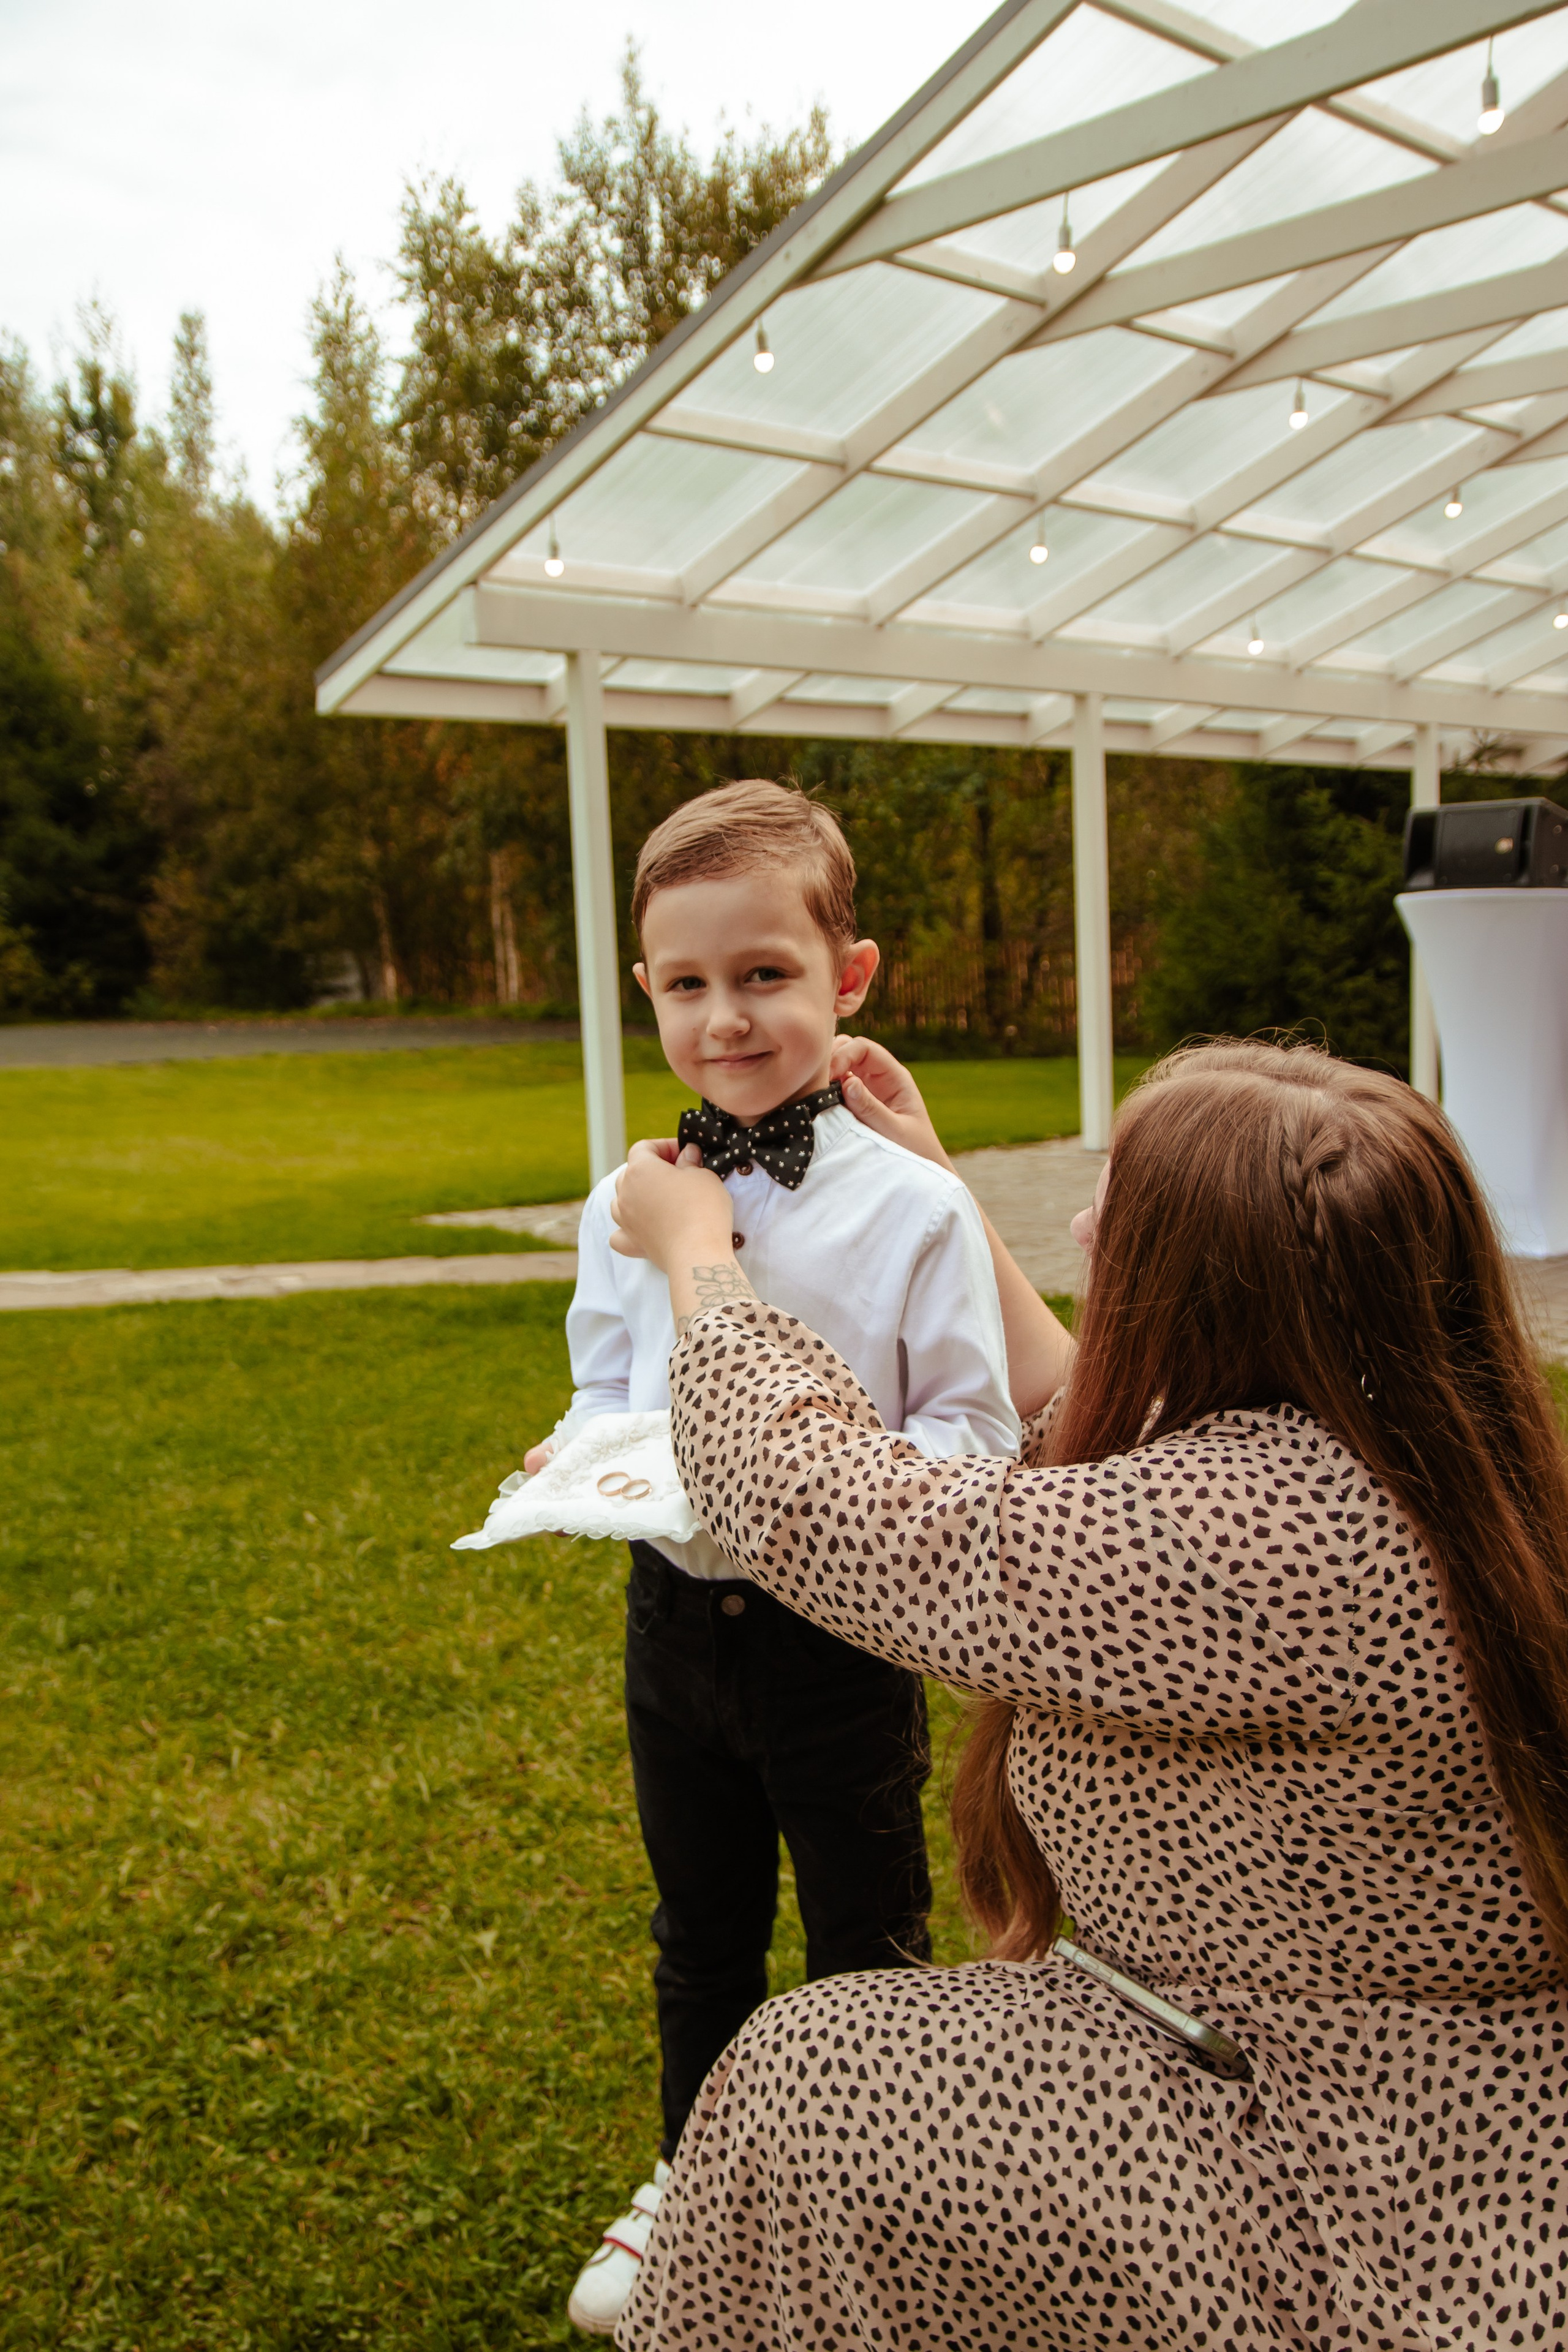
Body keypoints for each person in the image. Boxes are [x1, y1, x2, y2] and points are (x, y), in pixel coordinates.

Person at [608, 1036, 1568, 2350]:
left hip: (1347, 2176)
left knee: (807, 2076)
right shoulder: (1405, 1446)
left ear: (1222, 1285)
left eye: (1115, 1212)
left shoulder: (1256, 1539)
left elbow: (826, 1509)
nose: (1075, 1222)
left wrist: (699, 1262)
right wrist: (932, 1180)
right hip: (1437, 2096)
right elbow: (1094, 1422)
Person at [537, 783, 1020, 2335]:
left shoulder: (914, 1209)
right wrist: (586, 1448)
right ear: (645, 994)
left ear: (849, 979)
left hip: (838, 1641)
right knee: (700, 1926)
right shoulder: (631, 1199)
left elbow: (974, 1434)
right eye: (688, 985)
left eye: (764, 976)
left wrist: (836, 1490)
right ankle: (698, 2181)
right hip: (672, 1623)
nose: (725, 1019)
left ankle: (882, 2206)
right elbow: (609, 1376)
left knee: (862, 1937)